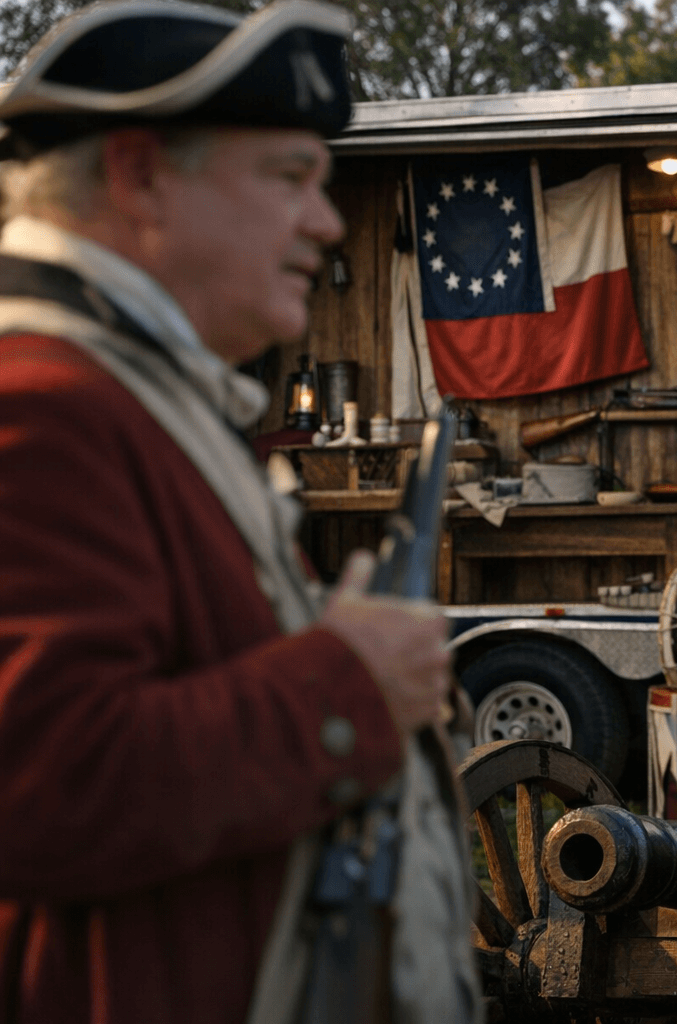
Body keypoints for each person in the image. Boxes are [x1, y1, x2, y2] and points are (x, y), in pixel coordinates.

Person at [0, 3, 475, 1022]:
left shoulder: (127, 394)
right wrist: (349, 679)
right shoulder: (38, 403)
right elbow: (43, 786)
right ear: (139, 175)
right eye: (289, 178)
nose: (327, 220)